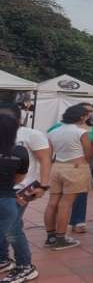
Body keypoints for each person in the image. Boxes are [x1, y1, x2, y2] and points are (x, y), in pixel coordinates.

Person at [0, 104, 49, 282]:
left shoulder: (32, 135)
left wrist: (43, 186)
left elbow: (45, 160)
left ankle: (25, 266)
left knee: (13, 228)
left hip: (21, 189)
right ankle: (3, 259)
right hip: (4, 189)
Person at [44, 105, 93, 250]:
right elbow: (89, 153)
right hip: (75, 168)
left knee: (52, 203)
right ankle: (61, 239)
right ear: (81, 117)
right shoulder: (81, 132)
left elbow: (50, 153)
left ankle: (50, 237)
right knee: (65, 204)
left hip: (57, 167)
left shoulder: (53, 131)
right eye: (86, 115)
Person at [0, 114, 31, 281]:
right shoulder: (19, 152)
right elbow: (18, 178)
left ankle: (24, 266)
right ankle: (23, 265)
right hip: (7, 198)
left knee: (13, 233)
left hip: (6, 199)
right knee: (13, 233)